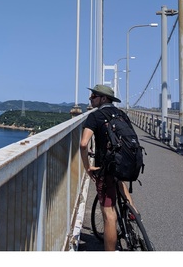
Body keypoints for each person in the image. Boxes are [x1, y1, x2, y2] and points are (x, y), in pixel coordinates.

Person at [79, 83, 133, 251]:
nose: (90, 98)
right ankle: (134, 217)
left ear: (103, 98)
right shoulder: (122, 114)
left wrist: (87, 167)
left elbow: (83, 144)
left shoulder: (95, 116)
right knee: (119, 183)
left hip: (106, 166)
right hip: (127, 163)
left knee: (109, 215)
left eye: (93, 96)